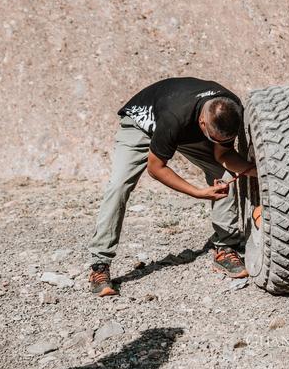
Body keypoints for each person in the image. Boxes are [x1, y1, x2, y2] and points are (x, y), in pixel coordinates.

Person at [87, 77, 257, 297]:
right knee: (118, 186)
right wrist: (198, 193)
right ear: (203, 125)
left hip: (185, 128)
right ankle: (99, 265)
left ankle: (225, 247)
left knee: (222, 174)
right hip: (142, 125)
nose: (216, 141)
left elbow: (222, 155)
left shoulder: (228, 109)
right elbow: (156, 168)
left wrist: (254, 170)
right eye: (212, 138)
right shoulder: (175, 117)